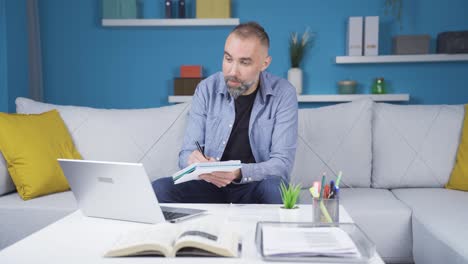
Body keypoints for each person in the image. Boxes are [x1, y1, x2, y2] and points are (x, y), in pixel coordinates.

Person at [152, 21, 298, 204]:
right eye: (228, 59)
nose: (232, 71)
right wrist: (193, 160)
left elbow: (282, 165)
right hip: (209, 185)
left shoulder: (283, 93)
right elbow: (185, 155)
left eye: (244, 62)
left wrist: (238, 172)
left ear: (264, 63)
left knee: (276, 189)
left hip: (254, 185)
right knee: (160, 189)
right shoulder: (206, 89)